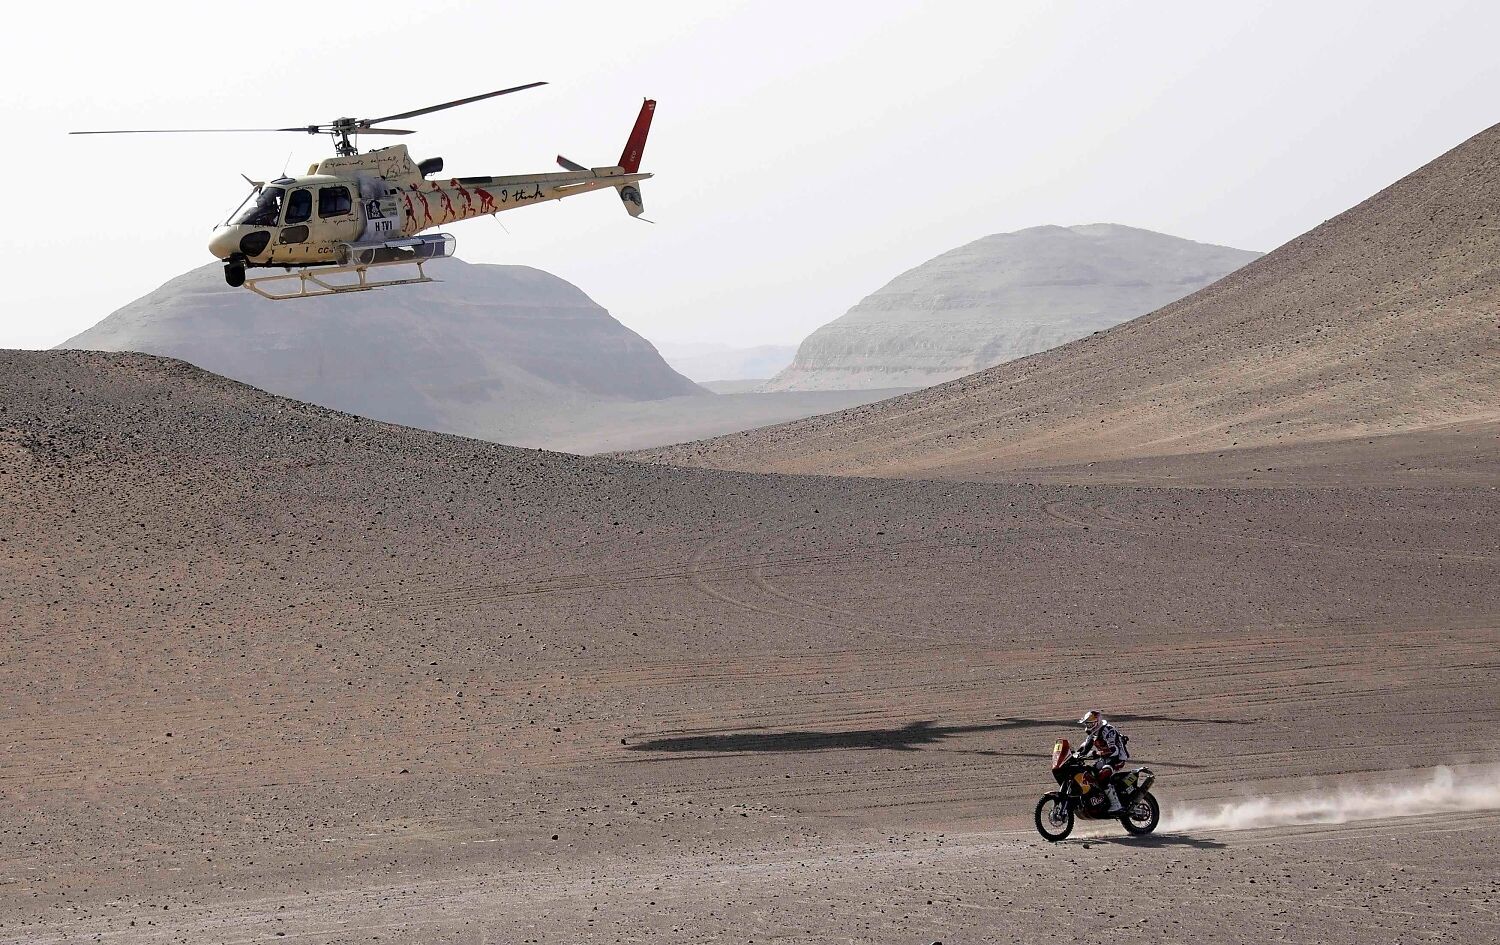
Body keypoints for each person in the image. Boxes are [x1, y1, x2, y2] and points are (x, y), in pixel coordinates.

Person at [1077, 709, 1129, 813]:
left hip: (1117, 759)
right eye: (1087, 723)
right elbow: (1085, 748)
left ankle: (1116, 805)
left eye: (1090, 723)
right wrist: (1074, 754)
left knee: (1103, 775)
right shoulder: (1093, 734)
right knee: (1089, 772)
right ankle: (1099, 798)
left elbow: (1114, 750)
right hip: (1105, 759)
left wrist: (1097, 754)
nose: (1088, 726)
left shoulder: (1108, 730)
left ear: (1096, 722)